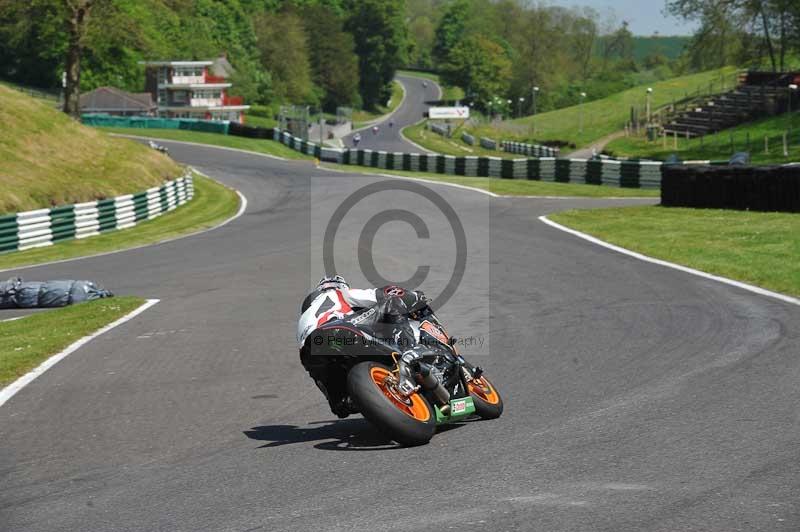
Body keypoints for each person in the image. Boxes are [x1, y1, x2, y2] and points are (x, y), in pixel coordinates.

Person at [297, 275, 431, 417]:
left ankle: (350, 400)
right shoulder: (336, 292)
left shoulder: (303, 321)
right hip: (339, 333)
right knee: (391, 301)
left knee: (341, 406)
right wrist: (415, 297)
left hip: (311, 351)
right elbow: (387, 293)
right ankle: (410, 350)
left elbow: (310, 362)